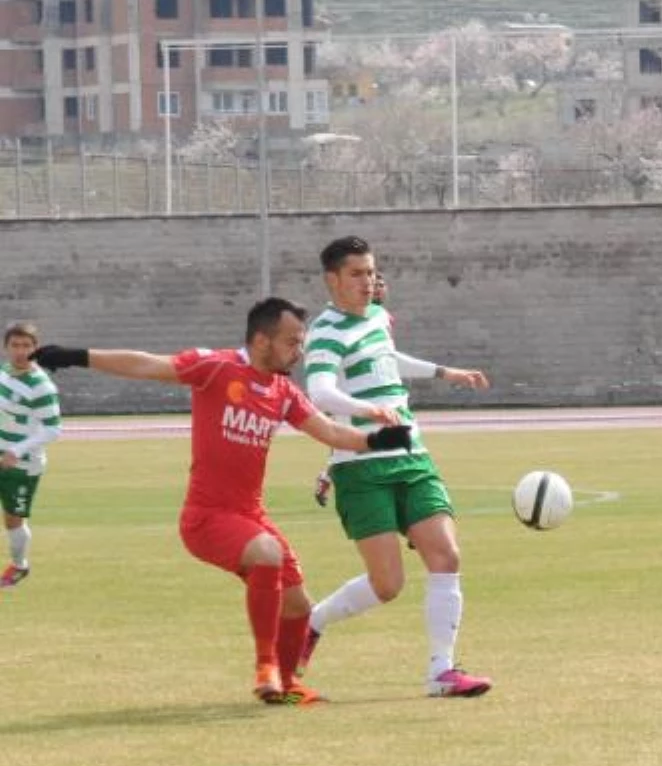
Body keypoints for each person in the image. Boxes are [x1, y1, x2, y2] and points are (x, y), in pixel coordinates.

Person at [31, 297, 412, 704]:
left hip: (251, 515)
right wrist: (76, 356)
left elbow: (332, 434)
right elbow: (145, 364)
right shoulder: (216, 366)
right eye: (292, 342)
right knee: (266, 552)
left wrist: (377, 438)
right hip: (206, 518)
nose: (299, 352)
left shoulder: (283, 391)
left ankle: (286, 684)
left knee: (299, 605)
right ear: (263, 340)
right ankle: (265, 667)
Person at [300, 235, 492, 698]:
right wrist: (365, 411)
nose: (368, 282)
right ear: (333, 279)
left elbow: (387, 359)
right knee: (387, 585)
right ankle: (312, 623)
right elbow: (321, 391)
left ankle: (441, 672)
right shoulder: (324, 333)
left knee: (445, 555)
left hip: (411, 456)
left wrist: (445, 373)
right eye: (357, 274)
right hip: (361, 465)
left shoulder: (378, 318)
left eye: (371, 272)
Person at [314, 271, 392, 508]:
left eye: (381, 284)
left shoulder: (381, 317)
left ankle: (328, 476)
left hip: (381, 393)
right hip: (353, 394)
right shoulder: (344, 319)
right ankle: (331, 477)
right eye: (374, 284)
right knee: (350, 439)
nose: (377, 289)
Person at [0, 322, 63, 588]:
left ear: (35, 349)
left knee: (13, 519)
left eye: (26, 345)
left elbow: (52, 429)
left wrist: (17, 450)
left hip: (22, 464)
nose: (20, 351)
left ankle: (19, 565)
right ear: (6, 347)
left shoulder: (41, 386)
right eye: (15, 345)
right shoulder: (3, 372)